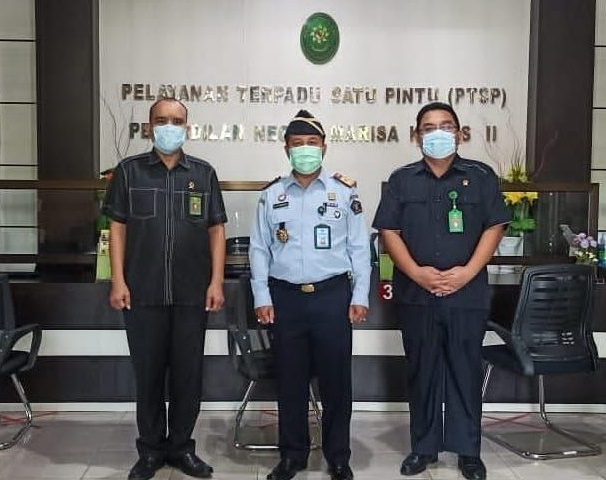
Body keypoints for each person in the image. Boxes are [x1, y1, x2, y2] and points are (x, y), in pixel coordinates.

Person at [372, 102, 510, 480]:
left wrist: (467, 273)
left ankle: (468, 452)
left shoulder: (481, 176)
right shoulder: (402, 180)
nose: (438, 133)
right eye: (428, 127)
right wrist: (417, 273)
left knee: (465, 371)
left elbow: (495, 227)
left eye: (446, 126)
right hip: (417, 295)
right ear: (415, 136)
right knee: (423, 371)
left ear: (460, 133)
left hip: (467, 294)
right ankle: (424, 447)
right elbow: (389, 231)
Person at [103, 98, 226, 480]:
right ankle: (151, 450)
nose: (169, 127)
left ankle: (182, 448)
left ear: (186, 127)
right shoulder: (129, 171)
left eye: (176, 121)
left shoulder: (203, 174)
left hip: (192, 293)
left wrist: (216, 281)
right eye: (161, 120)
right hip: (142, 293)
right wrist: (118, 279)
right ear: (149, 126)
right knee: (149, 376)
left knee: (188, 377)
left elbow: (216, 230)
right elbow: (117, 228)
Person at [249, 110, 371, 480]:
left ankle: (338, 457)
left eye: (312, 143)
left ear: (324, 147)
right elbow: (259, 249)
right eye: (298, 144)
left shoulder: (344, 192)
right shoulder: (271, 195)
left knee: (336, 382)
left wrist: (360, 295)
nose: (305, 149)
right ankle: (293, 455)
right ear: (286, 149)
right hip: (285, 299)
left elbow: (359, 248)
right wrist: (261, 296)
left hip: (332, 296)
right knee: (290, 381)